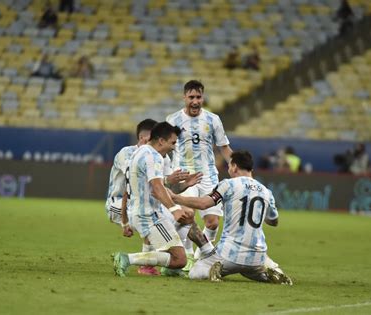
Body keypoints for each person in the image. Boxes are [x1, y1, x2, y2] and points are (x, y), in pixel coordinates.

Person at [170, 150, 292, 284]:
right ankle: (270, 275)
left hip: (229, 255)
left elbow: (204, 204)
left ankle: (212, 270)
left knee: (195, 272)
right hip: (257, 257)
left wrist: (176, 198)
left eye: (229, 165)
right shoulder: (266, 191)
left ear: (234, 166)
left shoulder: (228, 184)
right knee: (252, 273)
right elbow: (274, 221)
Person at [112, 122, 215, 277]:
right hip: (148, 216)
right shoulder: (153, 157)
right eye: (172, 142)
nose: (174, 147)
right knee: (179, 259)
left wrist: (185, 185)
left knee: (186, 217)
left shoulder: (140, 153)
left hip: (143, 211)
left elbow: (157, 187)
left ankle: (175, 266)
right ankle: (127, 259)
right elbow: (157, 188)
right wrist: (174, 209)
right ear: (161, 141)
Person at [166, 80, 233, 267]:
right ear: (184, 97)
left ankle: (200, 255)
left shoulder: (213, 120)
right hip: (184, 176)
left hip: (208, 176)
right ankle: (187, 257)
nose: (195, 101)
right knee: (187, 214)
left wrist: (238, 168)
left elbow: (224, 148)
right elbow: (163, 148)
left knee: (212, 223)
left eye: (199, 97)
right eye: (191, 97)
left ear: (203, 97)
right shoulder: (173, 120)